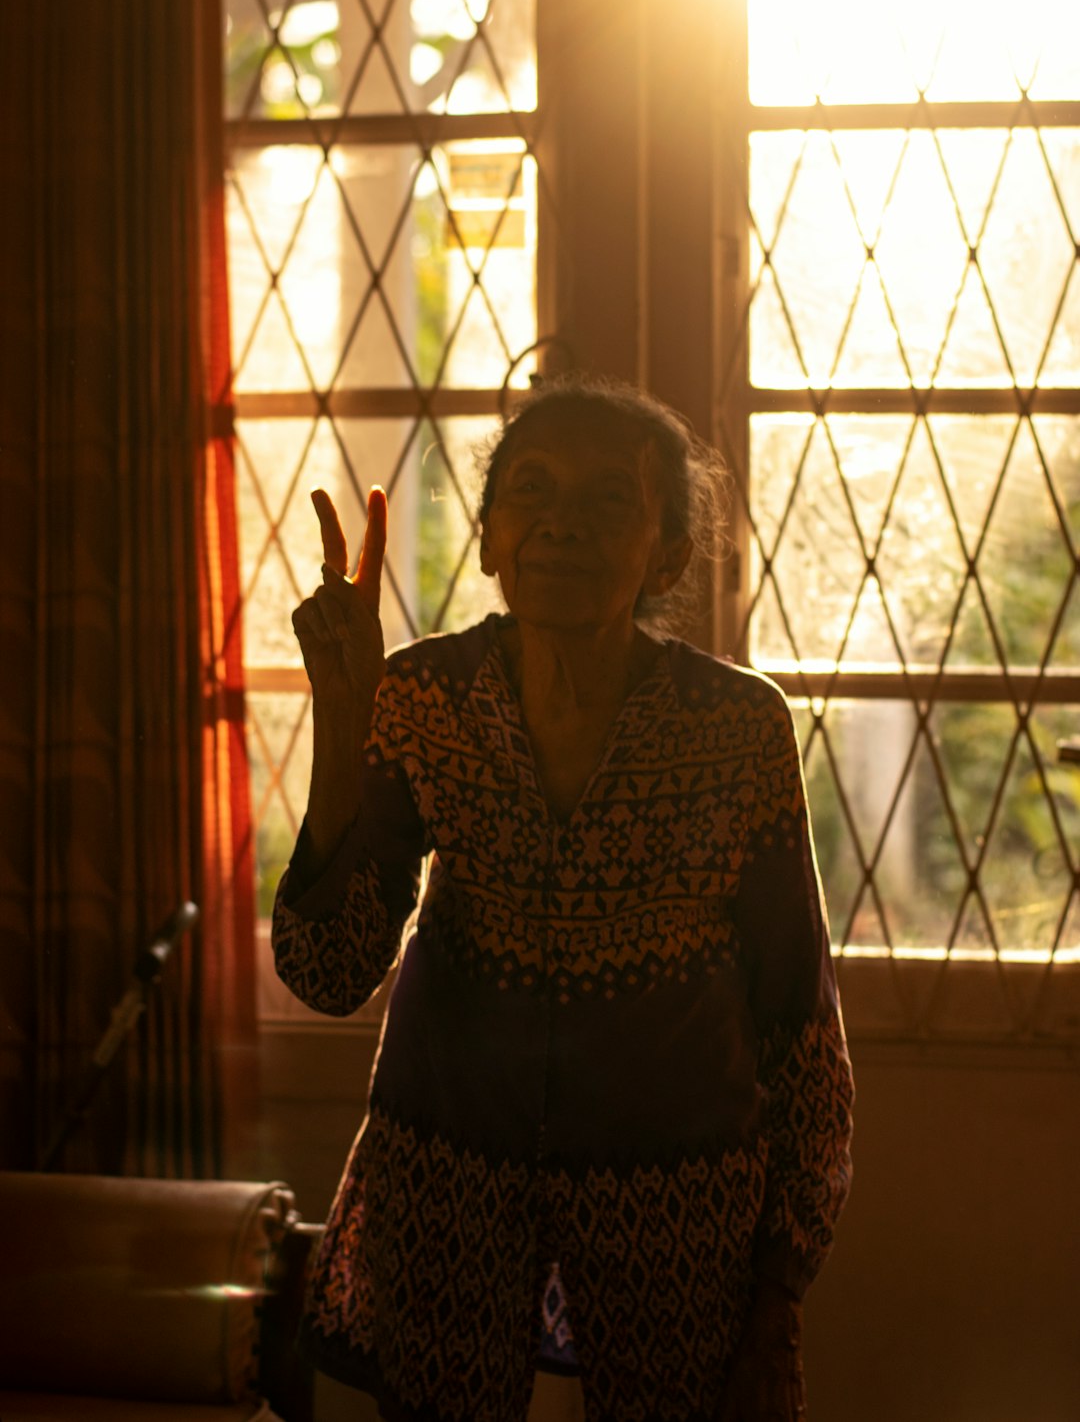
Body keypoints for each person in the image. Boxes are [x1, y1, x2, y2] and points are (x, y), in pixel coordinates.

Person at [273, 378, 854, 1422]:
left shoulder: (738, 730)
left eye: (608, 499)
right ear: (490, 537)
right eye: (531, 490)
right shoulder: (424, 697)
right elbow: (329, 970)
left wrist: (781, 1295)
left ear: (668, 555)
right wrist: (344, 715)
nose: (561, 523)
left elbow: (801, 1036)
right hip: (448, 1209)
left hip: (677, 1228)